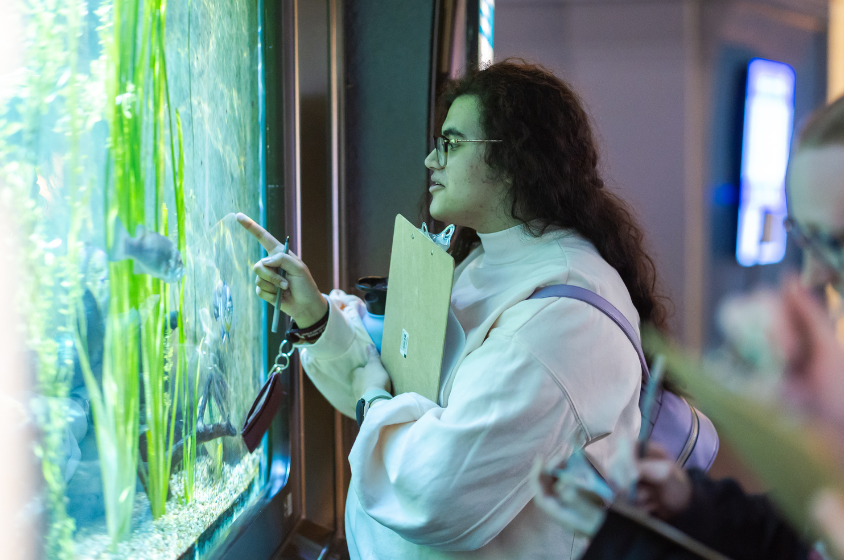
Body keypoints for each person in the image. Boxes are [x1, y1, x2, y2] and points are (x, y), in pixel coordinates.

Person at [535, 71, 844, 560]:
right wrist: (687, 503)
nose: (816, 274)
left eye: (833, 242)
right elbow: (820, 519)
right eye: (803, 239)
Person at [238, 59, 672, 559]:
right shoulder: (486, 260)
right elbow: (407, 381)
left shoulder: (558, 323)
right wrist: (316, 317)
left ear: (514, 158)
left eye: (451, 142)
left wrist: (372, 401)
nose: (430, 160)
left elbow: (433, 491)